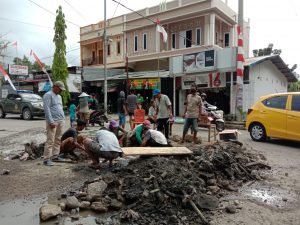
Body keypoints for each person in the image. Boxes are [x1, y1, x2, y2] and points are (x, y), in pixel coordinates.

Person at [42, 81, 66, 166]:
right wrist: (51, 121)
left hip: (60, 120)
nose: (61, 91)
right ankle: (46, 159)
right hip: (53, 121)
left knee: (58, 139)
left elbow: (60, 107)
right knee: (50, 140)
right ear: (55, 87)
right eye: (60, 89)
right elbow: (47, 109)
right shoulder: (48, 95)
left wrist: (63, 119)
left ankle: (55, 155)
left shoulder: (59, 96)